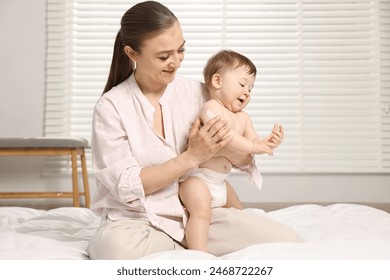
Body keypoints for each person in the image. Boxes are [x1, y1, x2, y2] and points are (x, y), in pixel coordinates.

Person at [87, 0, 301, 260]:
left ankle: (184, 247)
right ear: (132, 54)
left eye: (181, 50)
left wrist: (249, 146)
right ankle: (191, 249)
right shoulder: (111, 107)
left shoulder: (200, 94)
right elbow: (127, 187)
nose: (176, 62)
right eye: (164, 56)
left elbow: (242, 158)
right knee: (113, 248)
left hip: (202, 215)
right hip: (138, 221)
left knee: (286, 241)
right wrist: (192, 156)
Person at [179, 50, 283, 252]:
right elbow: (227, 137)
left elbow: (252, 141)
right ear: (217, 81)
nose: (247, 92)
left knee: (239, 213)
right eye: (242, 84)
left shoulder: (244, 118)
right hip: (197, 179)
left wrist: (268, 142)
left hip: (219, 181)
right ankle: (199, 254)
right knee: (201, 213)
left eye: (251, 89)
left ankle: (240, 245)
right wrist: (254, 146)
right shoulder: (211, 108)